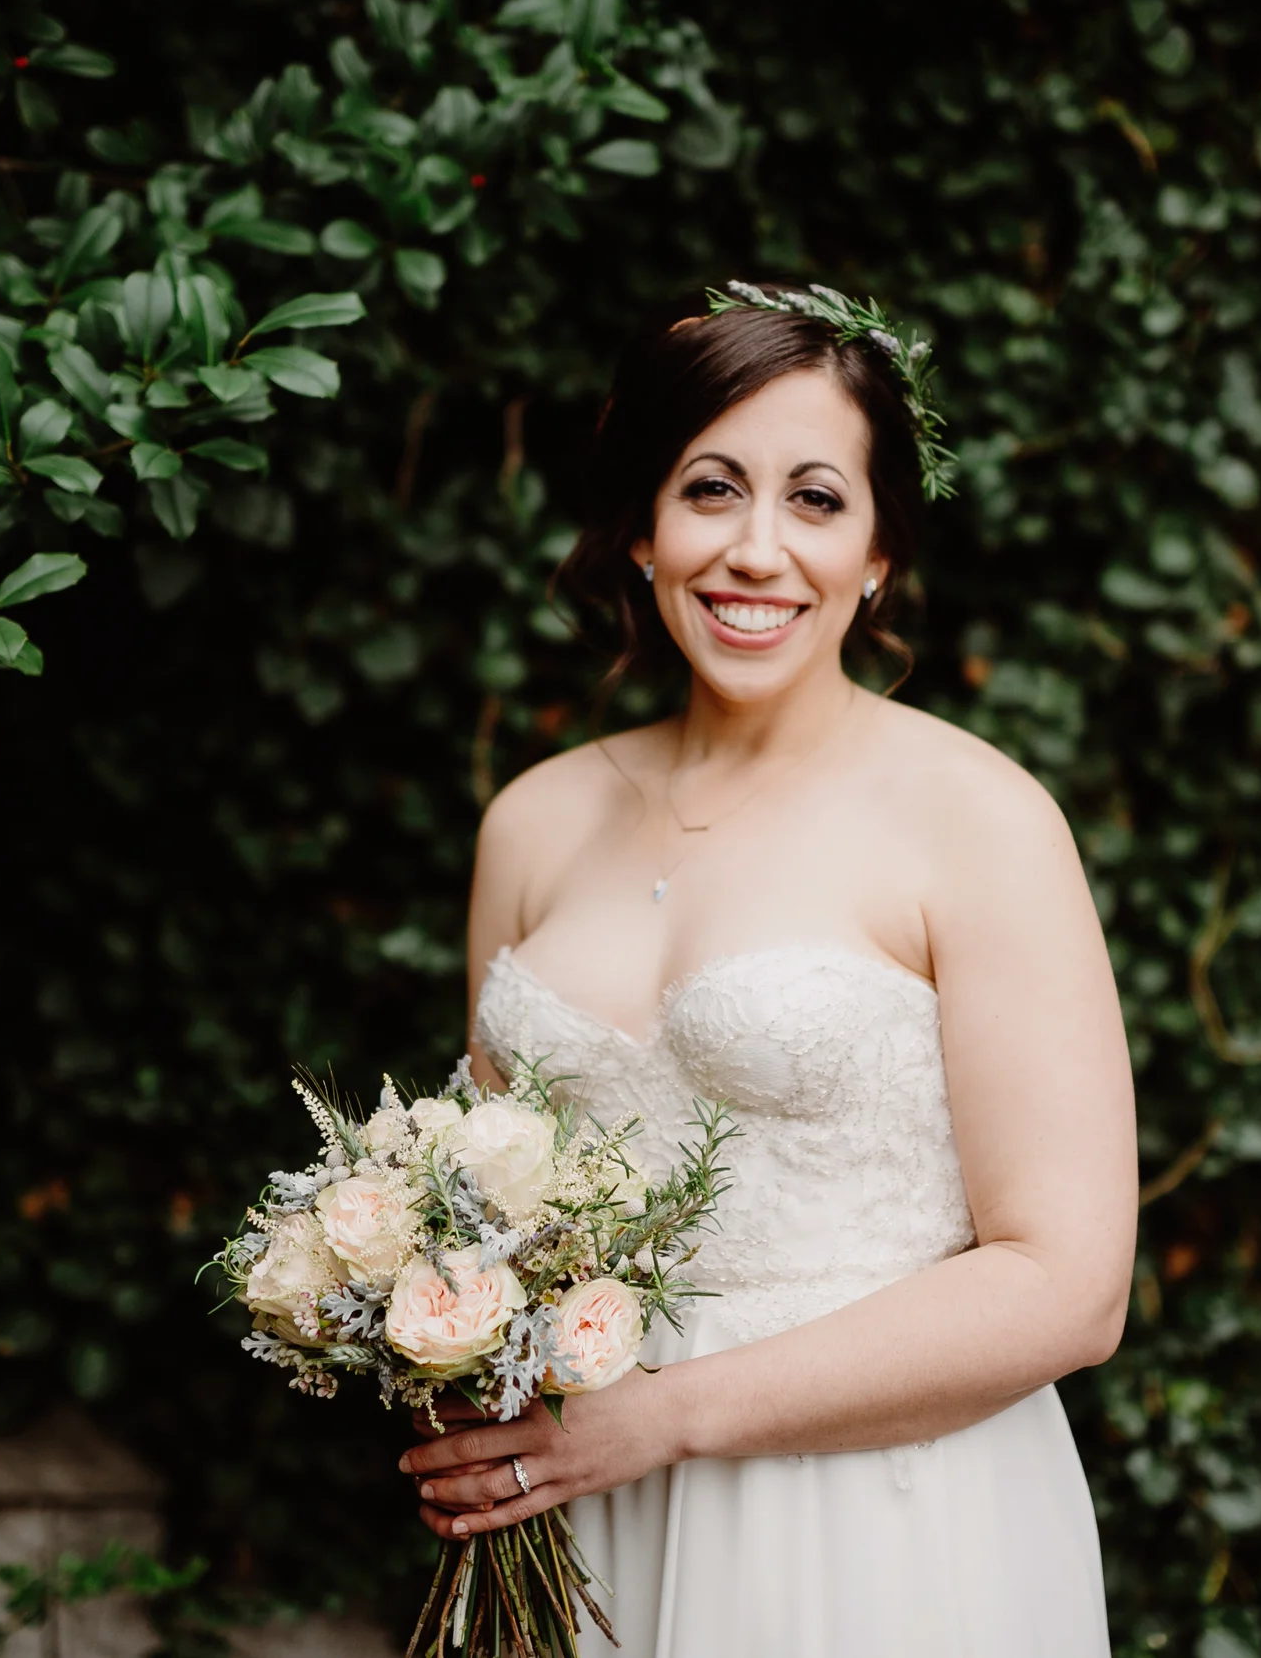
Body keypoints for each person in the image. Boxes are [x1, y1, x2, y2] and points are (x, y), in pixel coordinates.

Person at [395, 283, 1139, 1656]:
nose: (754, 550)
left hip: (882, 1526)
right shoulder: (535, 822)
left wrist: (663, 1414)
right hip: (579, 1524)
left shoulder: (980, 821)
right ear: (641, 528)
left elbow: (1069, 1283)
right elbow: (489, 1213)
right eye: (711, 489)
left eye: (814, 499)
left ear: (878, 552)